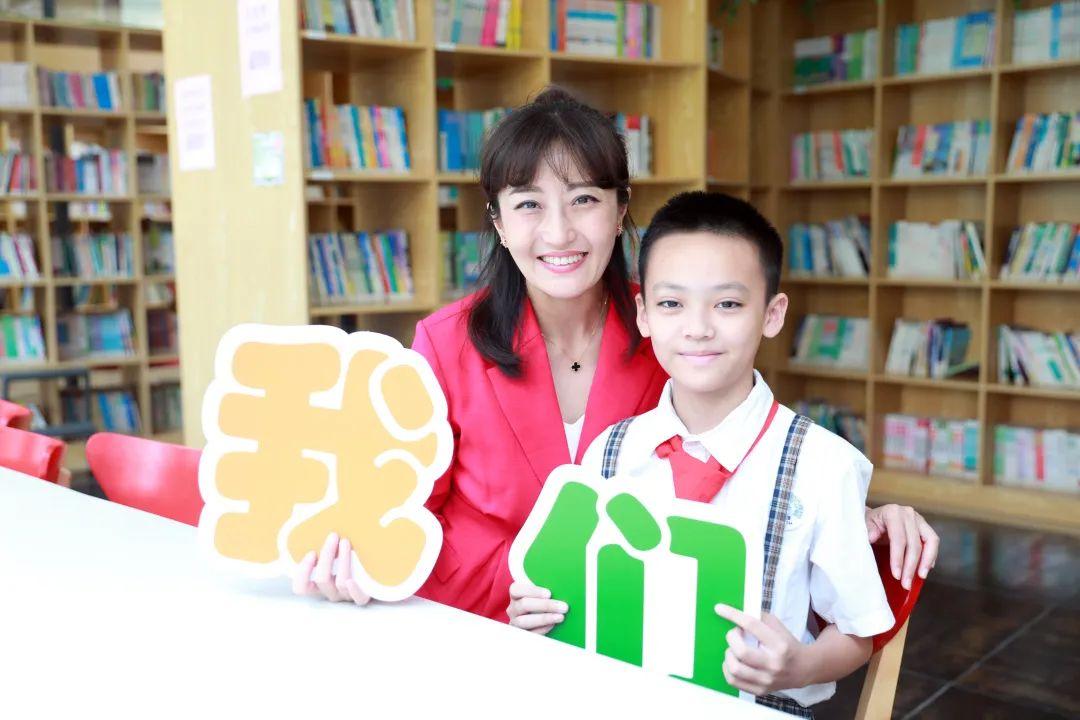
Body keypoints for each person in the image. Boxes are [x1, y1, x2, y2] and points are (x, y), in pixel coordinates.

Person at [292, 88, 939, 622]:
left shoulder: (672, 324)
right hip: (478, 624)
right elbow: (401, 508)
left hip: (631, 633)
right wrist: (357, 556)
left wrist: (859, 517)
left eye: (584, 200)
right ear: (498, 222)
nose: (558, 233)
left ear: (620, 209)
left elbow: (751, 459)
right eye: (528, 205)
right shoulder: (445, 341)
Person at [510, 191, 893, 716]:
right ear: (644, 315)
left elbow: (857, 632)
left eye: (728, 304)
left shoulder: (824, 466)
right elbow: (575, 597)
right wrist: (539, 612)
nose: (698, 328)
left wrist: (800, 666)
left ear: (772, 314)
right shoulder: (609, 453)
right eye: (672, 304)